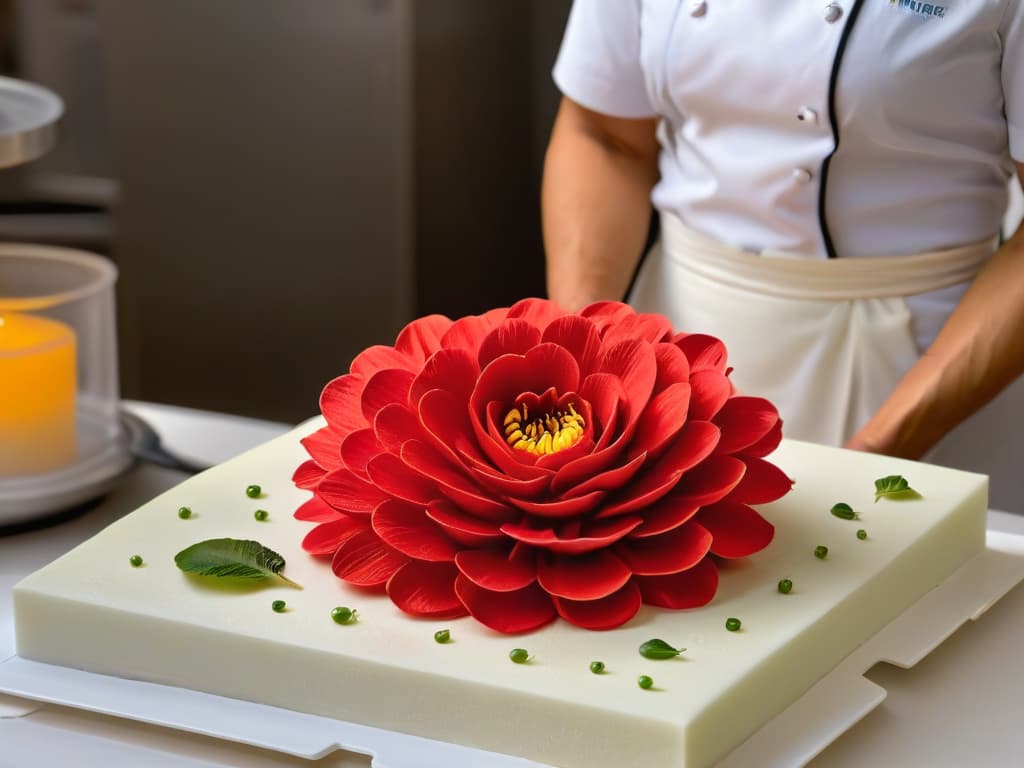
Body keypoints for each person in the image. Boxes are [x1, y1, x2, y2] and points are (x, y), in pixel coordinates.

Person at [542, 1, 1024, 509]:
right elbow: (604, 136)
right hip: (678, 347)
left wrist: (878, 449)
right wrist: (588, 353)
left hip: (926, 369)